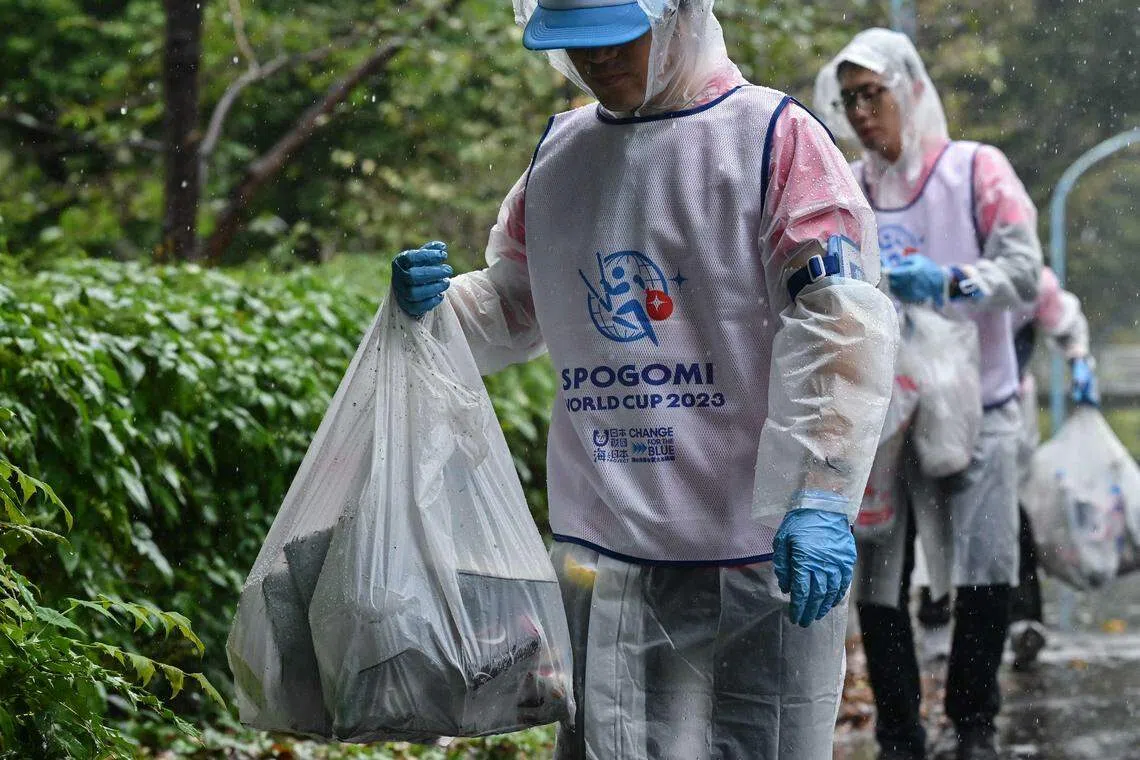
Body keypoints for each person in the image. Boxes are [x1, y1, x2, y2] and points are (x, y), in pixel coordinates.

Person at [389, 1, 899, 757]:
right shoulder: (561, 155)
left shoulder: (772, 139)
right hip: (605, 543)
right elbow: (521, 303)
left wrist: (821, 494)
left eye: (615, 37)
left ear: (677, 17)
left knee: (757, 739)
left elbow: (839, 321)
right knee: (610, 743)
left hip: (756, 549)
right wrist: (437, 309)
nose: (596, 61)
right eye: (578, 45)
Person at [815, 29, 1043, 760]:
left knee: (983, 569)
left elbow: (1024, 271)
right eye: (849, 99)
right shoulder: (848, 188)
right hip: (885, 413)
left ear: (908, 90)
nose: (860, 112)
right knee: (878, 580)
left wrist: (950, 282)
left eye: (872, 94)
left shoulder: (976, 171)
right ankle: (900, 731)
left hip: (980, 406)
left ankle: (974, 726)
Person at [1008, 266, 1097, 667]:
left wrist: (1079, 358)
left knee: (1009, 517)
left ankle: (1023, 620)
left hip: (1005, 412)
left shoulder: (1021, 272)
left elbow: (1063, 318)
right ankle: (939, 621)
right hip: (929, 408)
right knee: (932, 520)